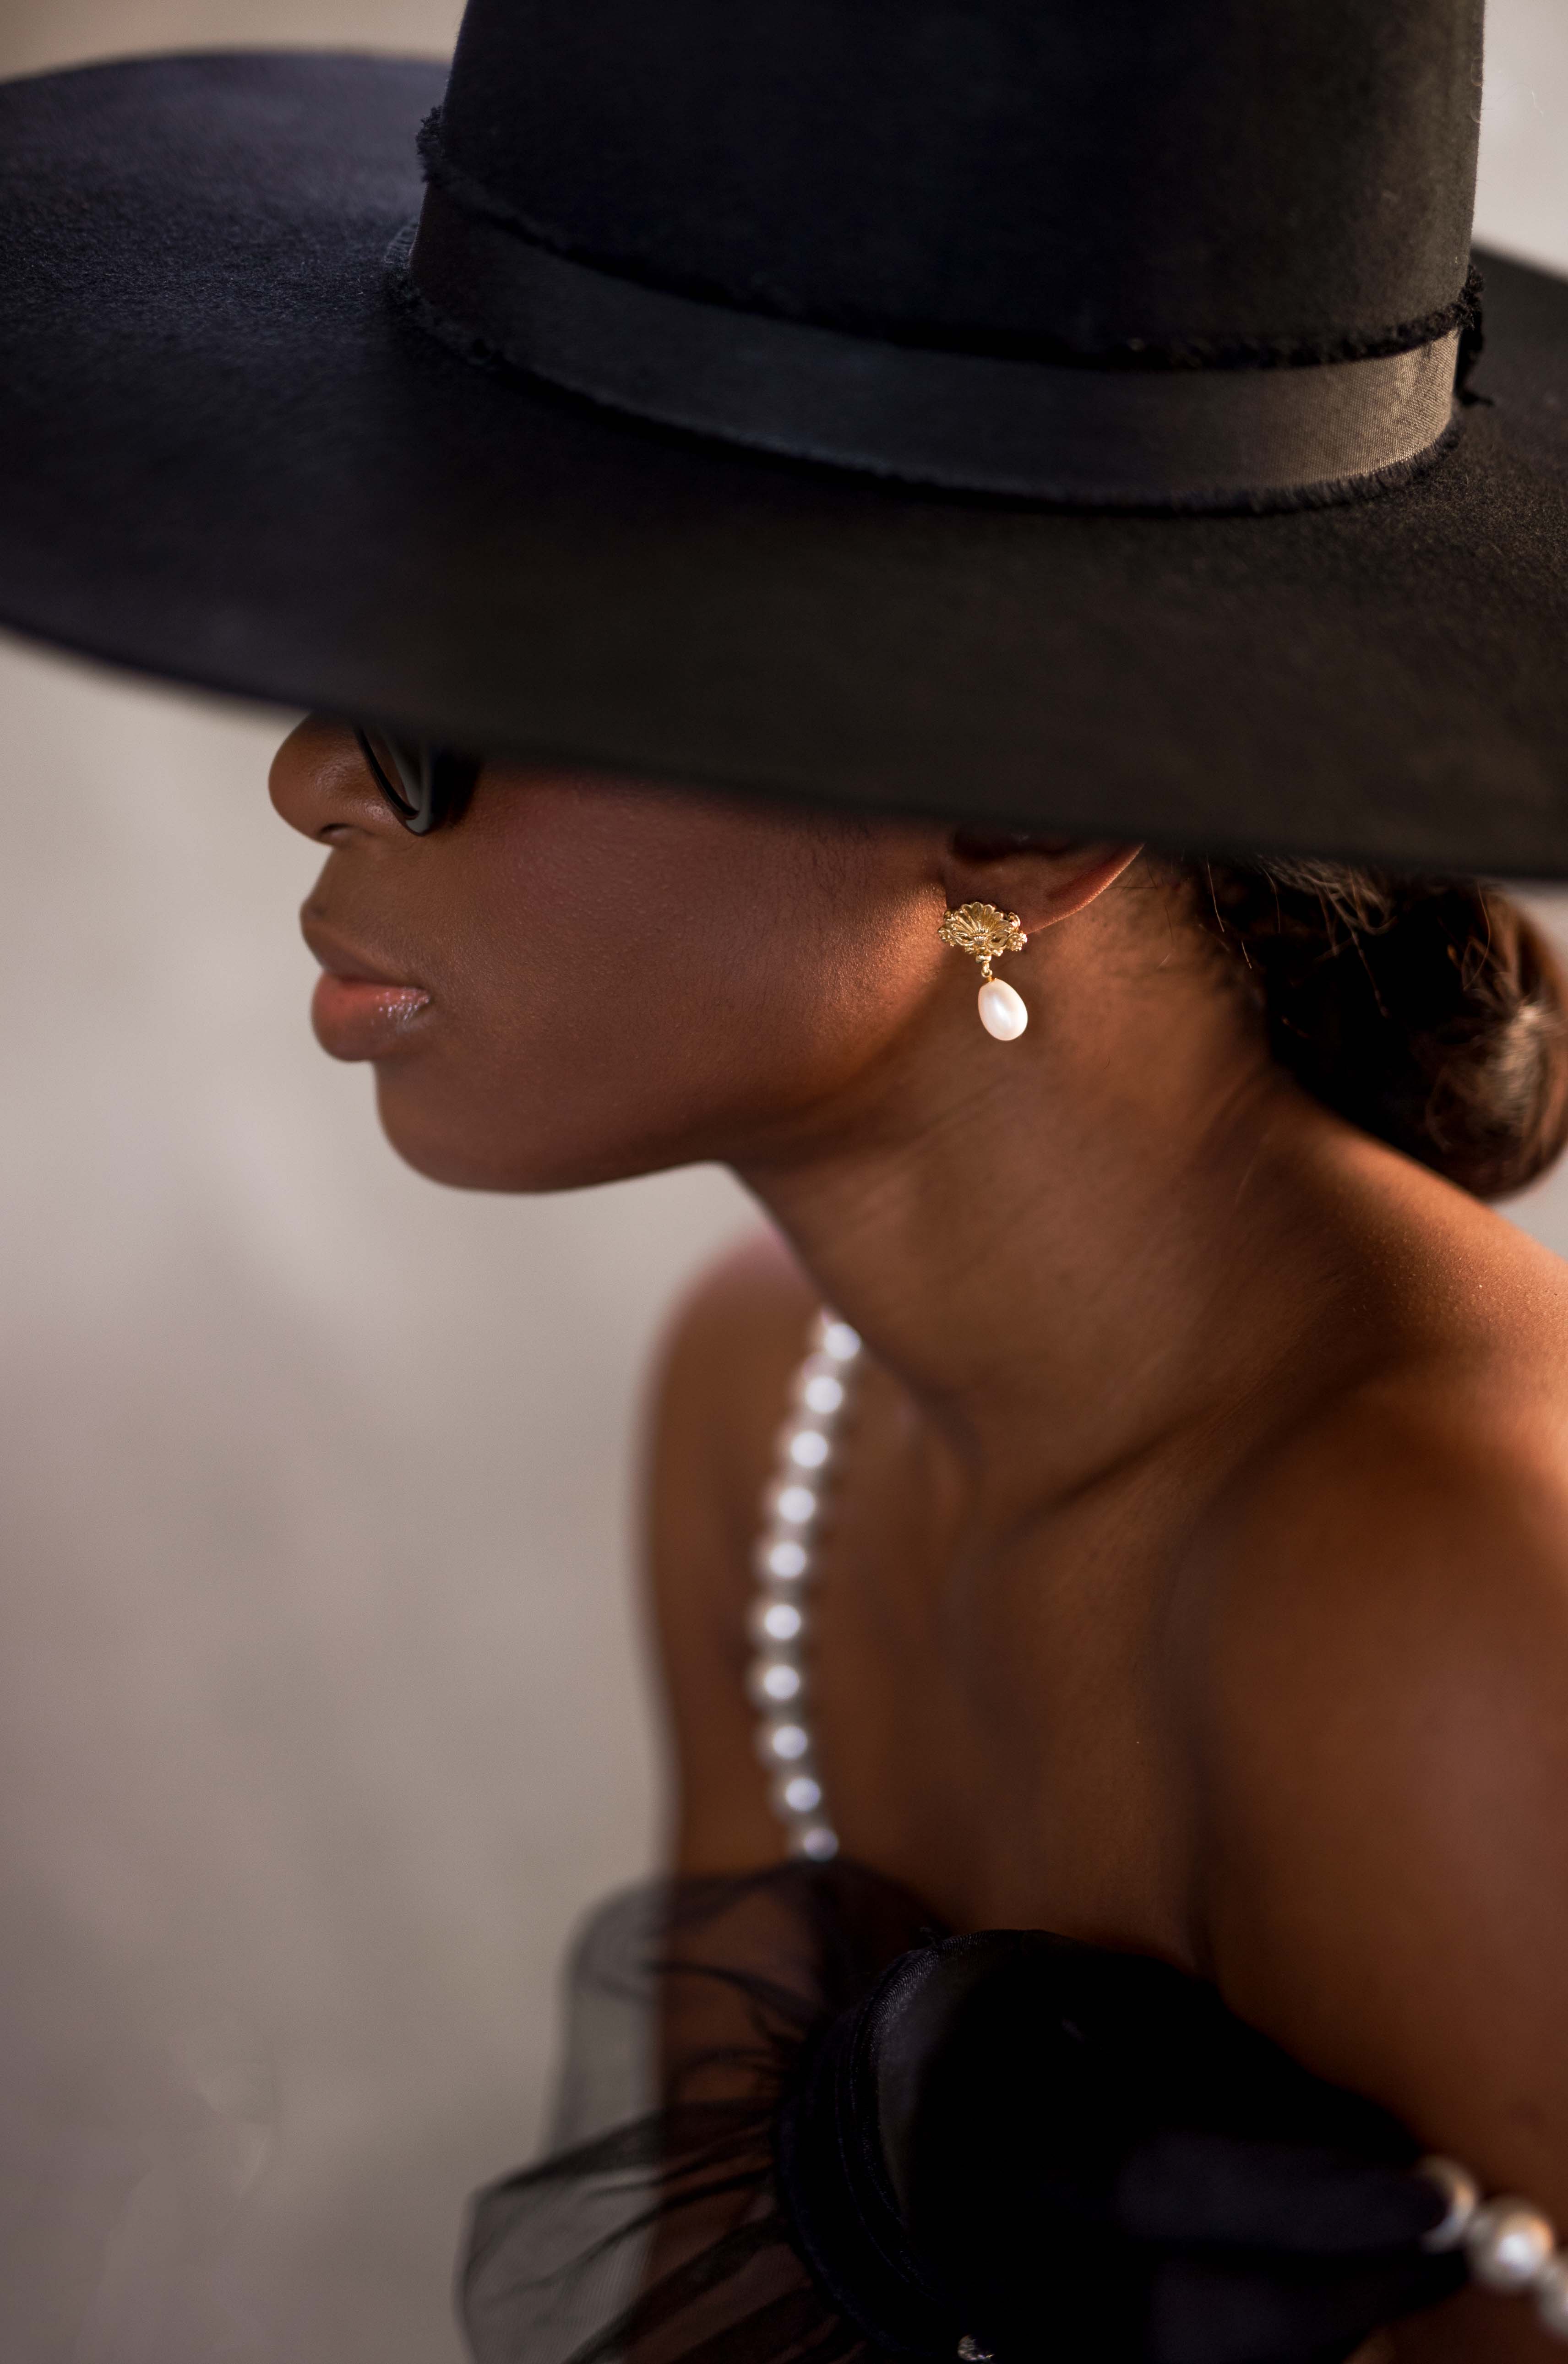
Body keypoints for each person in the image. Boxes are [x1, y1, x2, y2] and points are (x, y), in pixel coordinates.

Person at [5, 3, 1568, 2359]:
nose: (315, 772)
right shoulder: (776, 1403)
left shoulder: (1451, 1599)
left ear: (1019, 813)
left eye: (488, 656)